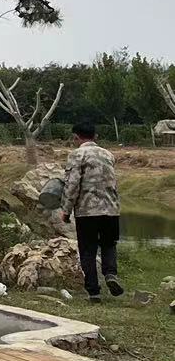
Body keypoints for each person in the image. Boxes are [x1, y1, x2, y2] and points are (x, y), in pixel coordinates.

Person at [59, 121, 122, 302]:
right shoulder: (109, 154)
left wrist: (66, 210)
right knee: (109, 244)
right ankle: (110, 274)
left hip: (87, 211)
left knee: (88, 250)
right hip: (111, 209)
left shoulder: (77, 155)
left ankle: (94, 292)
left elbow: (72, 185)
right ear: (96, 136)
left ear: (76, 137)